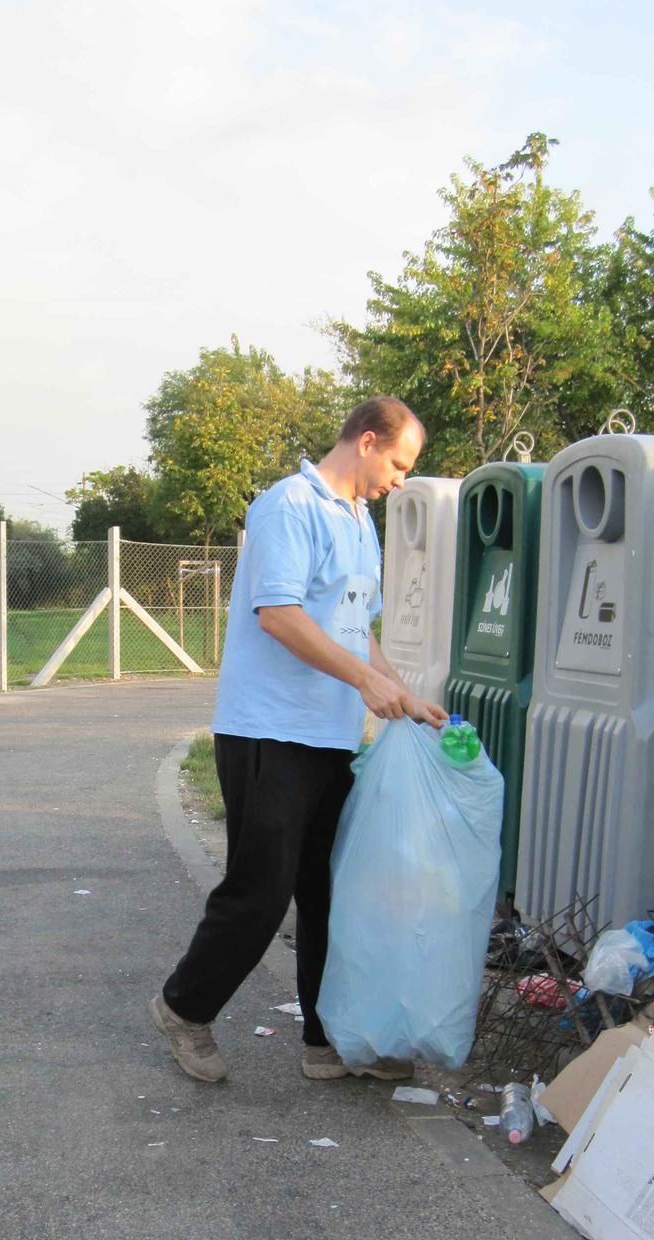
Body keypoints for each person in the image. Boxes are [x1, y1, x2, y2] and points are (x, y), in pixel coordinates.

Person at [150, 397, 446, 1085]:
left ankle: (327, 1040)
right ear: (367, 442)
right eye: (399, 464)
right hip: (268, 731)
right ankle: (181, 1008)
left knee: (328, 890)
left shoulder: (359, 521)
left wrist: (397, 691)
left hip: (329, 736)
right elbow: (279, 616)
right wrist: (364, 684)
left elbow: (352, 625)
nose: (400, 481)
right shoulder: (290, 506)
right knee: (262, 891)